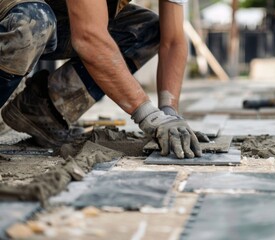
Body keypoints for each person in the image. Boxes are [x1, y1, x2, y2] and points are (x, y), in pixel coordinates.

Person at [0, 0, 204, 159]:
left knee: (144, 29)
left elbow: (173, 41)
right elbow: (89, 36)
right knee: (31, 24)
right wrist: (150, 116)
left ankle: (42, 110)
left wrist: (170, 114)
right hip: (12, 16)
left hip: (56, 17)